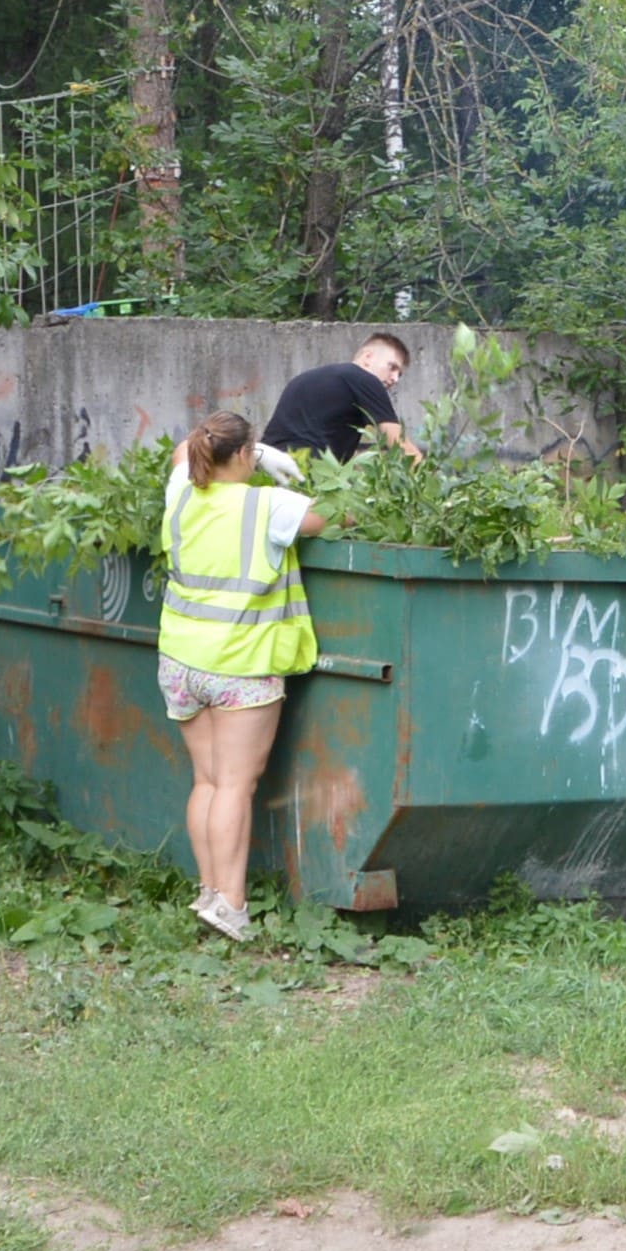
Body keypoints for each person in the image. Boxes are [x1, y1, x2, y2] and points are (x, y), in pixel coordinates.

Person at [159, 411, 325, 941]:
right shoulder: (268, 505)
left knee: (207, 780)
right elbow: (330, 518)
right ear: (243, 455)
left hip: (182, 661)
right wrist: (288, 469)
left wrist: (255, 452)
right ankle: (231, 903)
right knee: (235, 784)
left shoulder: (181, 494)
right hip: (241, 665)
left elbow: (182, 456)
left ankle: (210, 892)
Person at [263, 333, 425, 463]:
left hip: (267, 465)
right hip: (305, 471)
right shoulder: (365, 380)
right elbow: (400, 445)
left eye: (399, 374)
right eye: (392, 367)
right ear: (368, 357)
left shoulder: (305, 378)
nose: (395, 379)